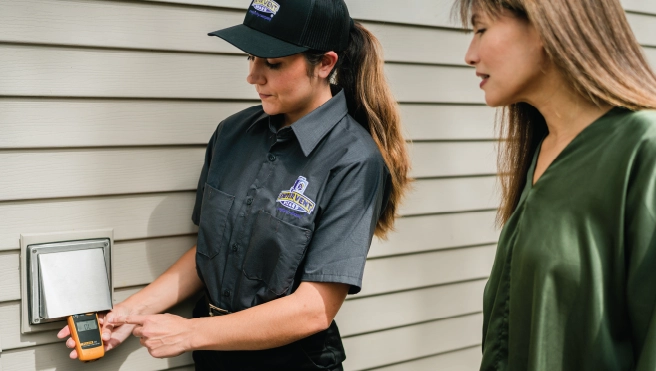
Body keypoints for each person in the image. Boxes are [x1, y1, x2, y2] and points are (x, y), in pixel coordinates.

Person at [57, 0, 410, 370]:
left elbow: (314, 309)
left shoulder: (353, 159)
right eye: (251, 58)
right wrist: (125, 316)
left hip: (291, 361)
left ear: (325, 64)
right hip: (214, 357)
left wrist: (190, 333)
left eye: (273, 63)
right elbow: (209, 253)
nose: (254, 76)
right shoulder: (232, 134)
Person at [454, 0, 656, 370]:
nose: (470, 55)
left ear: (546, 25)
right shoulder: (543, 149)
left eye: (481, 29)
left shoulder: (644, 148)